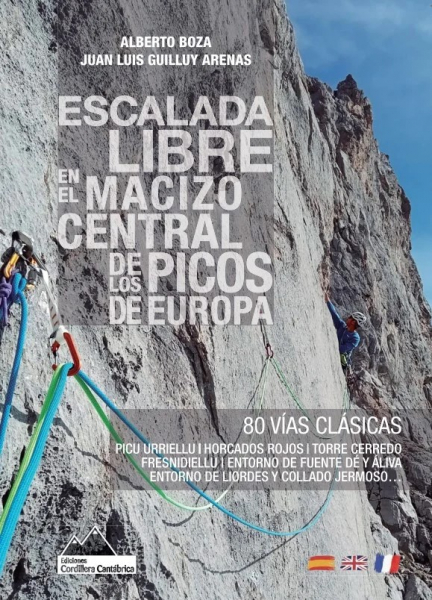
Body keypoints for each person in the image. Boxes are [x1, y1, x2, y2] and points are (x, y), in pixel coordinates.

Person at [325, 292, 367, 371]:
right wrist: (328, 301)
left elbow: (343, 349)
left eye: (350, 317)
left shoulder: (355, 338)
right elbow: (335, 315)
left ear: (353, 322)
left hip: (342, 363)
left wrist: (331, 345)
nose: (348, 318)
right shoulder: (342, 326)